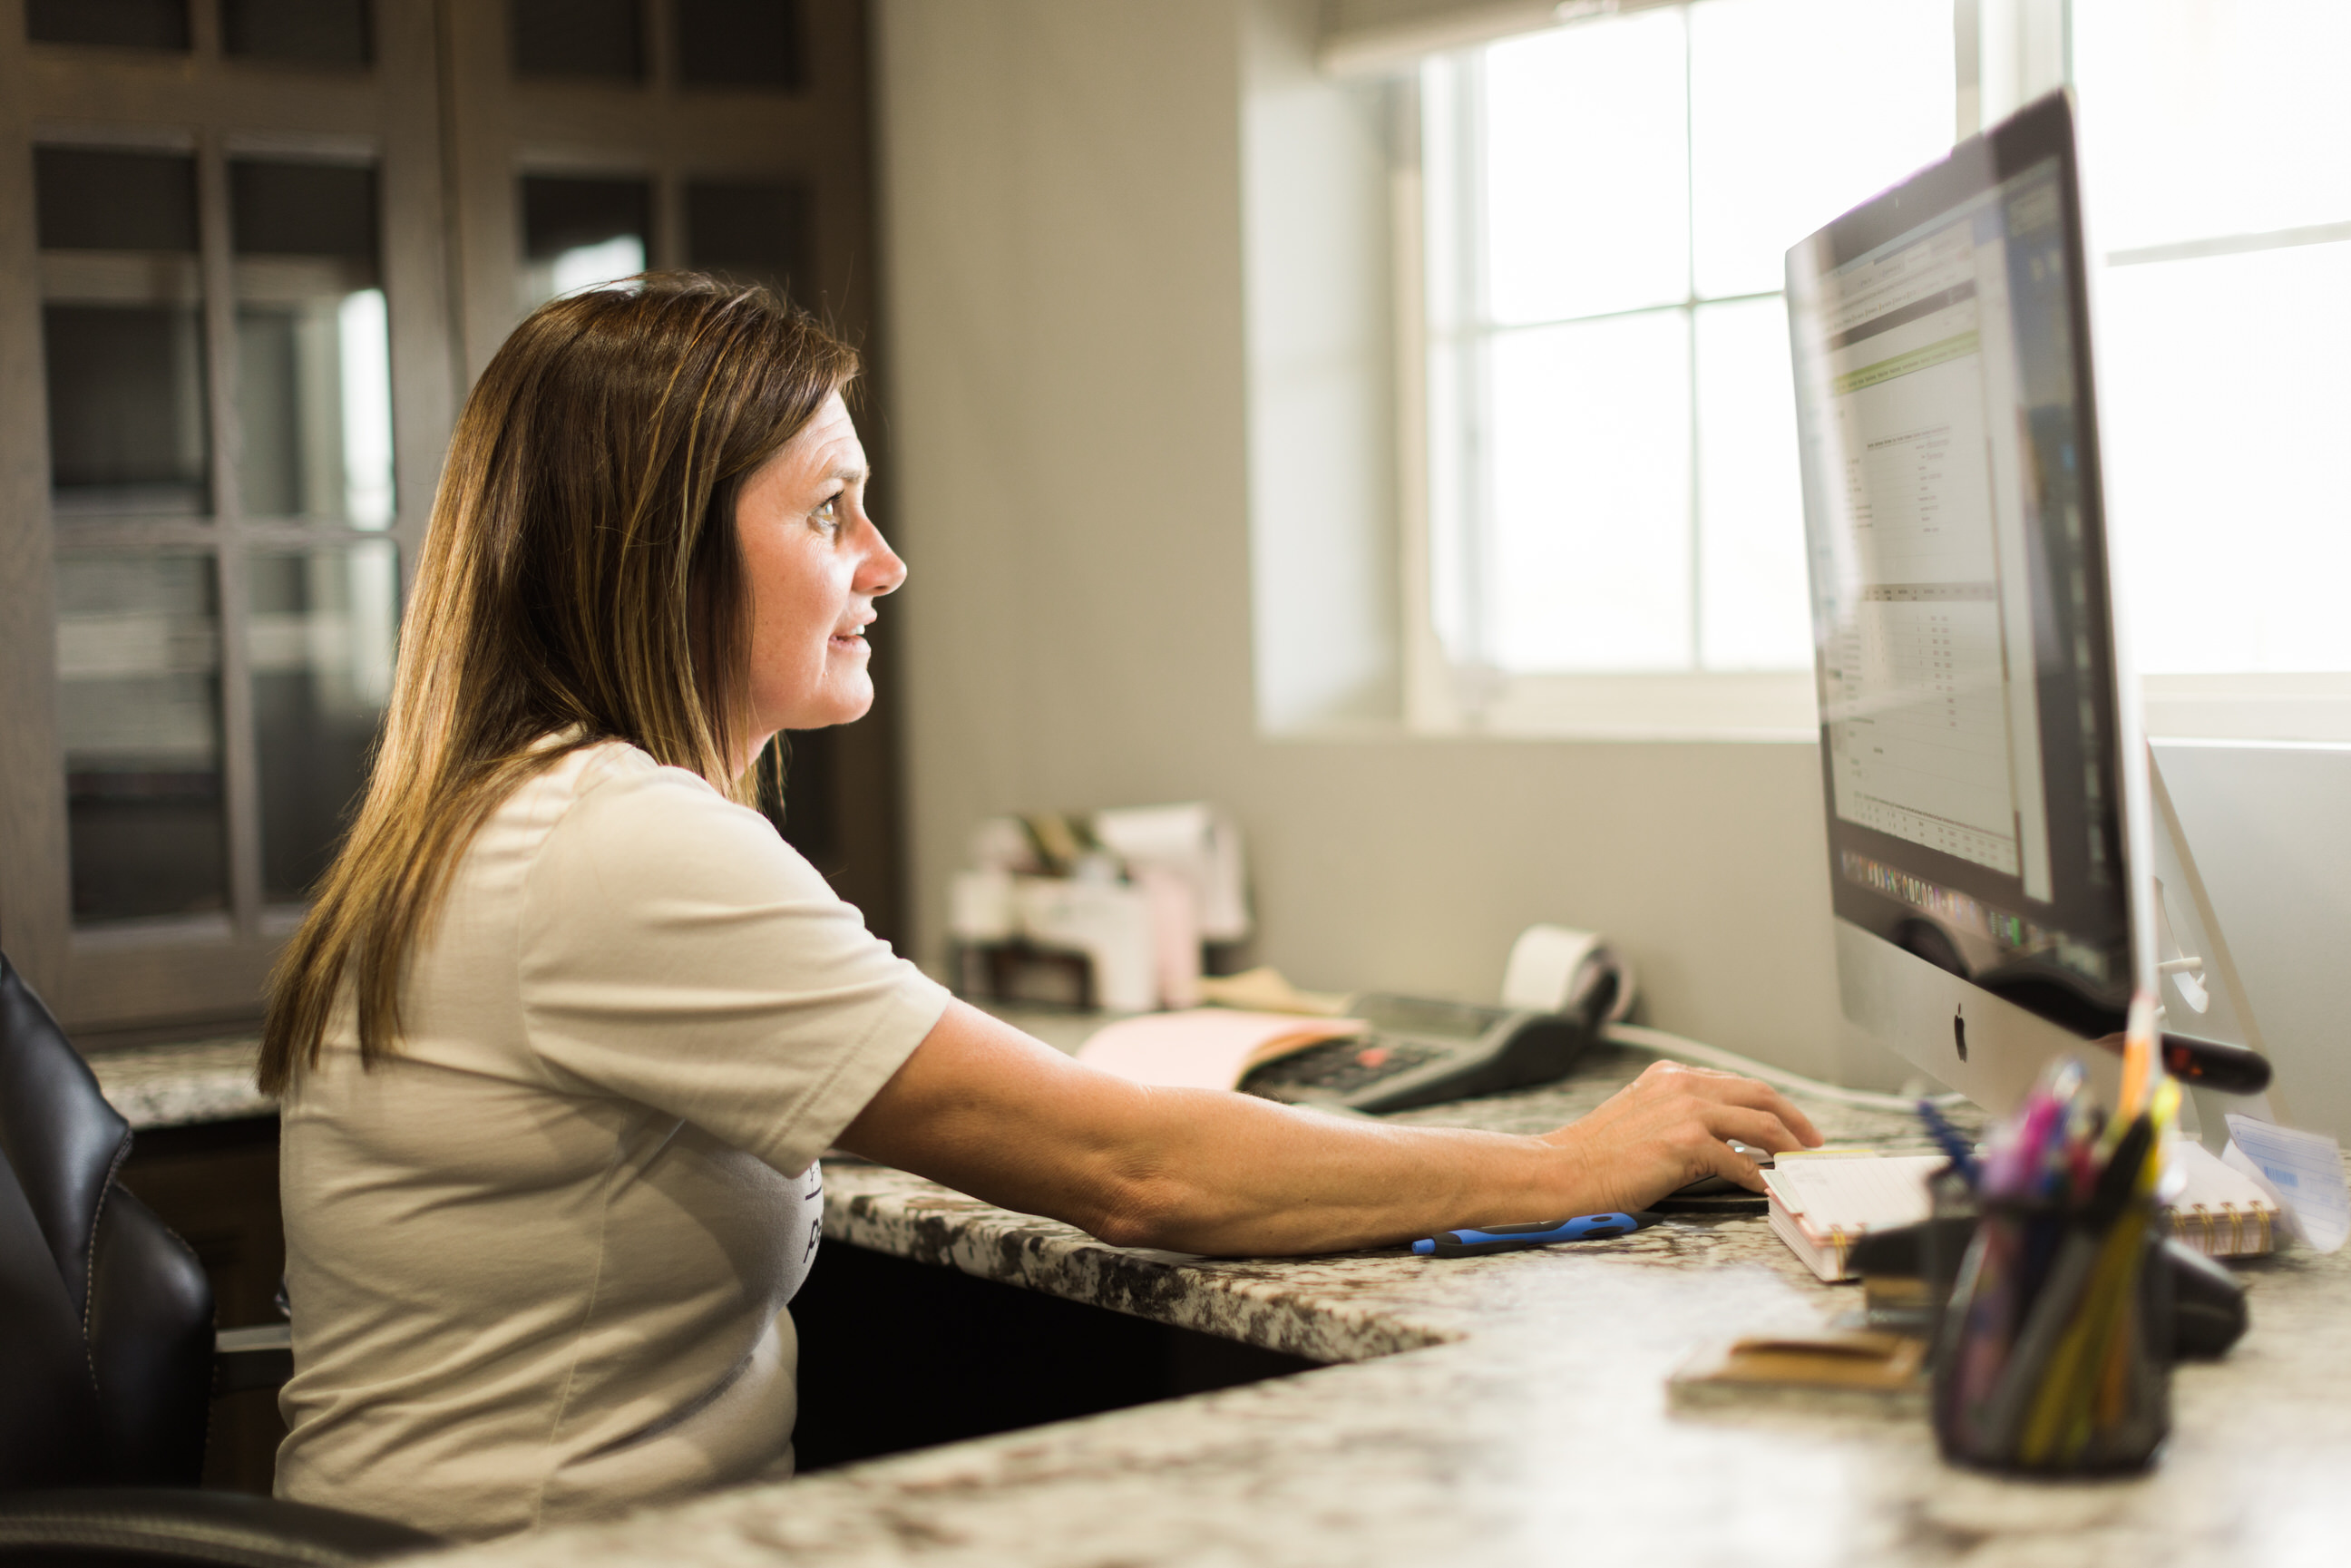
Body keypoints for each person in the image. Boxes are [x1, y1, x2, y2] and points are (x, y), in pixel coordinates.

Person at [259, 276, 1820, 1541]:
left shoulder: (524, 811)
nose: (885, 560)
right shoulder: (611, 845)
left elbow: (1024, 1113)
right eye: (828, 511)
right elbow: (1126, 1168)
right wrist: (1567, 1163)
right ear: (659, 551)